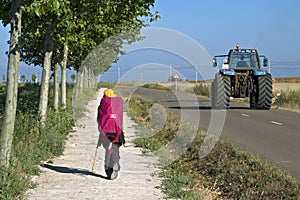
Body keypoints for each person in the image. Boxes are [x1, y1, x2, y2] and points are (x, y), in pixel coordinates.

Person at [97, 89, 125, 180]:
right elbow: (120, 118)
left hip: (106, 132)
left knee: (108, 149)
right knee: (115, 148)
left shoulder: (103, 103)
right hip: (117, 131)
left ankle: (108, 170)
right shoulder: (118, 103)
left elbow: (99, 118)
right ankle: (115, 163)